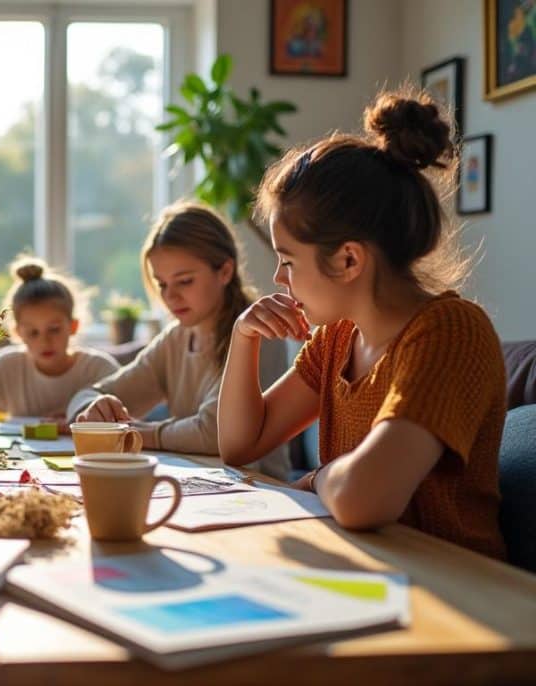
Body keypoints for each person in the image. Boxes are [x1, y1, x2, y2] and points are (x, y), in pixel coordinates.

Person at [216, 88, 506, 558]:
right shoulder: (337, 337)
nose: (277, 277)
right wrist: (242, 338)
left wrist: (316, 477)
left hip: (453, 587)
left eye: (287, 261)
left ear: (348, 259)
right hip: (367, 568)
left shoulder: (450, 331)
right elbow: (240, 444)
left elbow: (362, 499)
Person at [70, 202, 290, 480]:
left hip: (262, 490)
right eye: (162, 284)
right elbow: (87, 395)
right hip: (202, 486)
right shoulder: (176, 338)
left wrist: (130, 433)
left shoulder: (259, 333)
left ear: (225, 271)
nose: (170, 297)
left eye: (184, 281)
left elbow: (215, 434)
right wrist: (91, 411)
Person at [0, 258, 118, 426]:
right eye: (33, 333)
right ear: (17, 333)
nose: (44, 341)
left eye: (54, 329)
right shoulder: (9, 365)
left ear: (73, 326)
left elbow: (128, 417)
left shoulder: (97, 369)